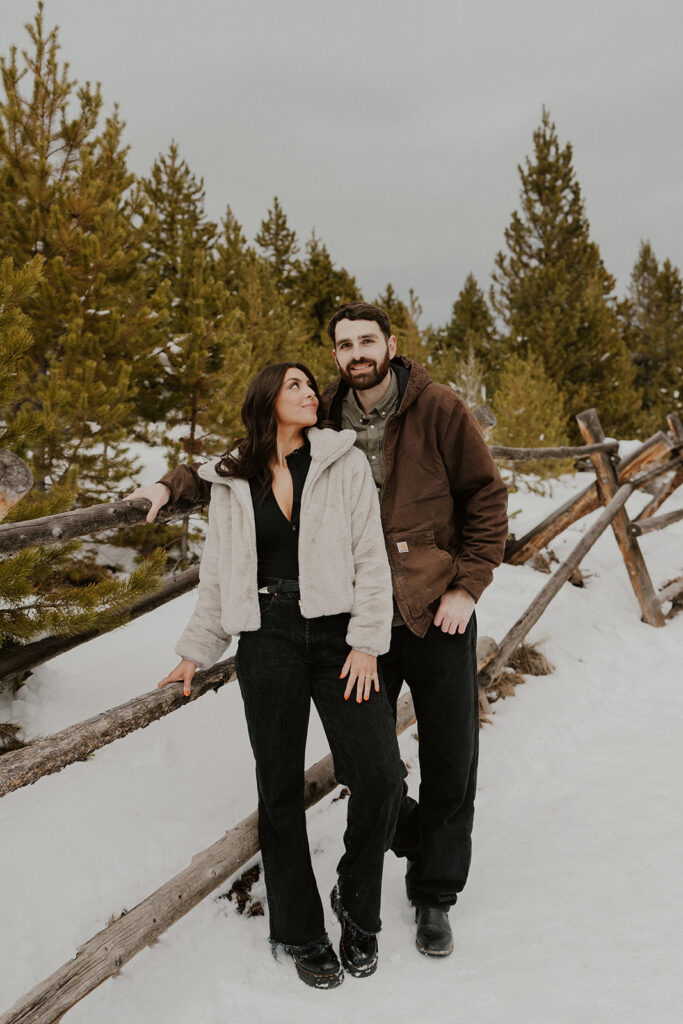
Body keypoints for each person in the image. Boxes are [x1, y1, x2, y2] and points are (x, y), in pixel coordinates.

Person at [133, 304, 509, 959]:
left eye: (368, 341)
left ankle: (432, 895)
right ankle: (414, 842)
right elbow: (243, 457)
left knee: (450, 759)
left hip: (430, 609)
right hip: (352, 623)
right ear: (334, 353)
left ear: (391, 344)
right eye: (344, 344)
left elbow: (485, 500)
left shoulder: (439, 409)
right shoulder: (323, 410)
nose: (356, 352)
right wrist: (169, 484)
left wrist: (465, 585)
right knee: (375, 765)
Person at [131, 362, 405, 989]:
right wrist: (196, 649)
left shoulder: (343, 461)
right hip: (267, 635)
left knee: (381, 776)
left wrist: (366, 643)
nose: (311, 393)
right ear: (267, 400)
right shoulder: (233, 476)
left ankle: (357, 905)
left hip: (339, 635)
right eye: (296, 386)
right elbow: (218, 575)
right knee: (278, 788)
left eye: (312, 386)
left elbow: (370, 557)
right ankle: (300, 931)